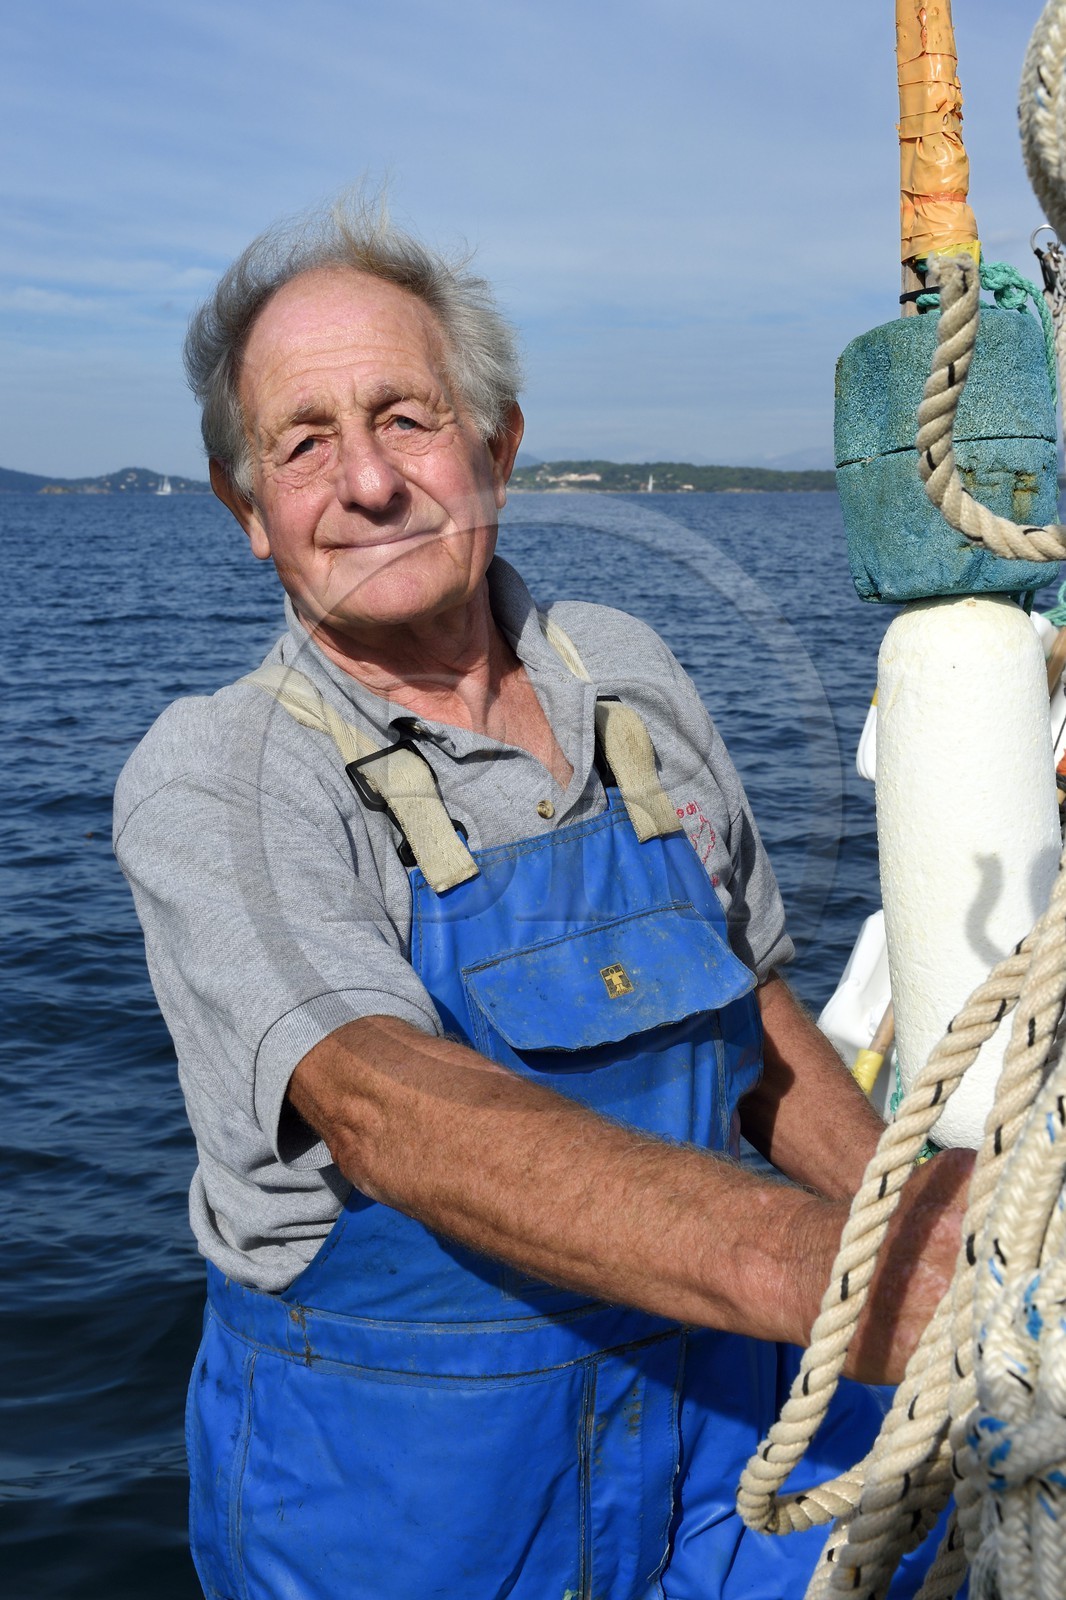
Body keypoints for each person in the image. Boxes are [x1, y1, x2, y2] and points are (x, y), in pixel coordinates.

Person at [114, 199, 971, 1600]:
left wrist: (922, 1221)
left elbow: (753, 1024)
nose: (365, 482)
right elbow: (388, 1107)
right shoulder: (215, 774)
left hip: (715, 1443)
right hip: (414, 1520)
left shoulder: (624, 670)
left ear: (496, 451)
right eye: (302, 442)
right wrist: (846, 1282)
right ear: (249, 511)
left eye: (405, 416)